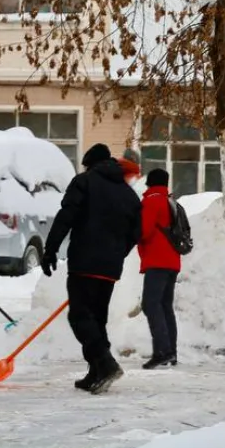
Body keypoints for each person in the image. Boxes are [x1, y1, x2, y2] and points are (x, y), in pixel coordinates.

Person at [42, 143, 143, 394]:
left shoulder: (84, 182)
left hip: (84, 262)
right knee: (96, 319)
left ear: (90, 164)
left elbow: (66, 216)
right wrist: (117, 252)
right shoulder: (128, 194)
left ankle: (106, 364)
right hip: (109, 267)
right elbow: (137, 232)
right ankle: (96, 370)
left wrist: (50, 249)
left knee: (79, 316)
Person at [138, 168, 180, 369]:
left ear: (149, 182)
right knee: (165, 305)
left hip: (157, 260)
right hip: (172, 260)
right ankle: (171, 352)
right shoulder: (170, 201)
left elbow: (144, 231)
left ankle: (162, 352)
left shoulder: (151, 201)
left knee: (150, 304)